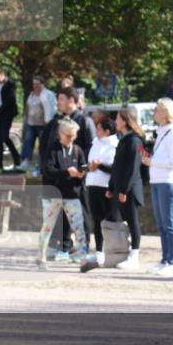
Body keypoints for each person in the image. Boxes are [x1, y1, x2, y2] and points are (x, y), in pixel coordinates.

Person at [140, 98, 173, 276]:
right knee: (161, 224)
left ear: (166, 113)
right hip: (157, 180)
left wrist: (153, 161)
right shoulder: (162, 131)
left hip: (168, 181)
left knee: (169, 223)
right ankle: (165, 260)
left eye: (158, 110)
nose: (154, 113)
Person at [36, 118, 88, 268]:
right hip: (53, 194)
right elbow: (47, 170)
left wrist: (81, 173)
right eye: (68, 135)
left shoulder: (78, 150)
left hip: (72, 194)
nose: (71, 138)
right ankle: (41, 256)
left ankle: (82, 258)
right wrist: (66, 172)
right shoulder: (52, 149)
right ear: (60, 133)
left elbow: (83, 166)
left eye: (73, 135)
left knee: (79, 227)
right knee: (48, 226)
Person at [107, 107, 146, 271]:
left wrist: (124, 190)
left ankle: (134, 256)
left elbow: (132, 169)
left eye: (118, 118)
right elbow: (117, 166)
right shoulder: (124, 139)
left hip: (129, 190)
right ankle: (125, 252)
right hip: (120, 188)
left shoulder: (134, 141)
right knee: (125, 221)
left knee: (132, 221)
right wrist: (111, 187)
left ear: (125, 120)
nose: (115, 121)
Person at [80, 116, 120, 272]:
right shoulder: (95, 143)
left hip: (106, 186)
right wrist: (89, 167)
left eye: (98, 129)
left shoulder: (115, 145)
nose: (95, 131)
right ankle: (99, 252)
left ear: (107, 131)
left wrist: (99, 166)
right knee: (96, 220)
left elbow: (114, 169)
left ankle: (113, 252)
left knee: (109, 219)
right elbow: (91, 163)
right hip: (93, 184)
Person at [21, 76, 56, 173]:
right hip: (31, 123)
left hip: (43, 124)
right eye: (34, 84)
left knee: (43, 145)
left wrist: (49, 122)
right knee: (28, 142)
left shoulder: (48, 94)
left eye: (37, 84)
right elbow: (27, 109)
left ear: (42, 84)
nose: (35, 86)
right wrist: (25, 121)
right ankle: (26, 161)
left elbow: (52, 109)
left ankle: (41, 164)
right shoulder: (31, 95)